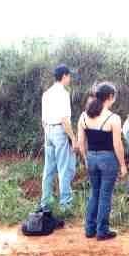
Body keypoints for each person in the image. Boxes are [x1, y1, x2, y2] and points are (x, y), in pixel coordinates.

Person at [77, 82, 128, 240]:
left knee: (94, 193)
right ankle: (102, 231)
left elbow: (80, 143)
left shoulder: (84, 116)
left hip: (91, 157)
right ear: (110, 97)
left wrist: (86, 159)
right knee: (105, 195)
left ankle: (89, 229)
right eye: (114, 96)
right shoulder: (114, 118)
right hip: (107, 160)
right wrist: (123, 165)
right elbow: (117, 144)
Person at [40, 64, 78, 213]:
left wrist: (48, 134)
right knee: (64, 168)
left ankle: (45, 203)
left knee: (48, 169)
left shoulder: (47, 93)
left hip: (48, 131)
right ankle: (65, 205)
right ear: (64, 76)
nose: (70, 79)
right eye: (69, 76)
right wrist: (73, 138)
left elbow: (43, 120)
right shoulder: (63, 93)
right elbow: (64, 120)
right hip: (59, 131)